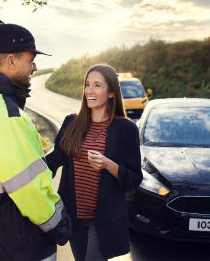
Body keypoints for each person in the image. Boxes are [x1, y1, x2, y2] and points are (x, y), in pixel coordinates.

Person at [0, 23, 71, 261]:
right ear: (11, 61)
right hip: (18, 246)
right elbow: (28, 189)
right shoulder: (6, 115)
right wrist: (60, 224)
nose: (35, 67)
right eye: (31, 60)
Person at [46, 64, 142, 261]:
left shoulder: (125, 129)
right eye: (87, 85)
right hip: (73, 215)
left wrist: (108, 164)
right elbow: (54, 161)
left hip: (104, 219)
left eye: (97, 85)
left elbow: (134, 178)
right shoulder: (71, 123)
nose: (90, 90)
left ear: (111, 93)